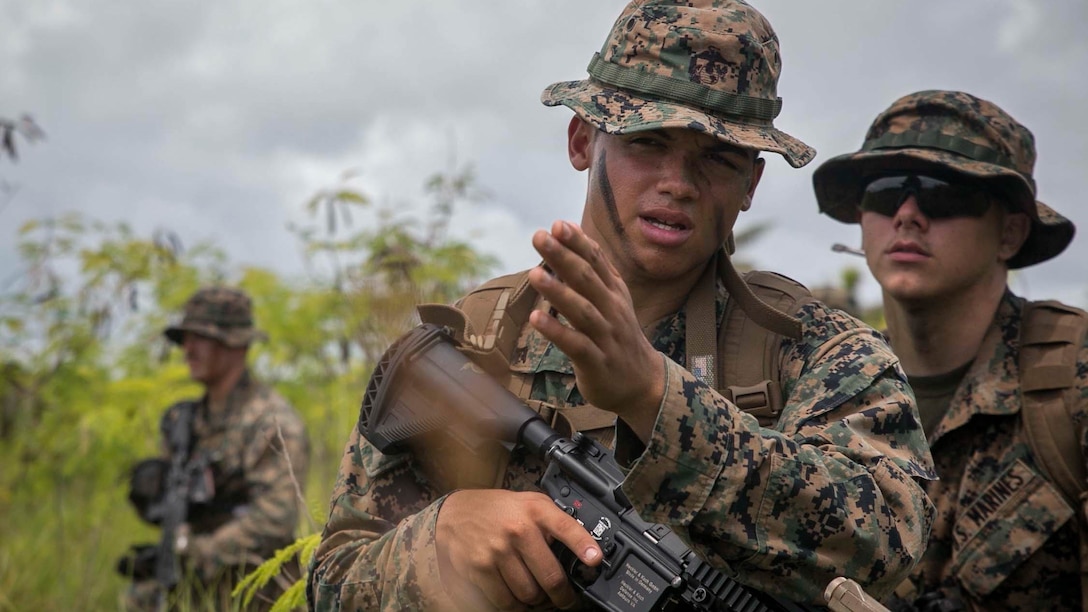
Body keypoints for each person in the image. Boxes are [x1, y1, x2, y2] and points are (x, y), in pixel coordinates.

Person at [308, 1, 936, 610]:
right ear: (582, 141)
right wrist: (441, 540)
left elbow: (884, 547)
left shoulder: (822, 353)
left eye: (716, 158)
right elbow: (335, 581)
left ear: (751, 183)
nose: (678, 183)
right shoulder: (474, 341)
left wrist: (655, 397)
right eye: (648, 142)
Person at [813, 90, 1084, 611]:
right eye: (887, 192)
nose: (909, 215)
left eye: (945, 194)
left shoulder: (1075, 380)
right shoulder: (823, 387)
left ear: (1010, 232)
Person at [120, 286, 310, 611]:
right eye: (185, 339)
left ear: (234, 344)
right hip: (190, 580)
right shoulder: (185, 422)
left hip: (253, 587)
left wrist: (199, 551)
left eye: (200, 338)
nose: (187, 350)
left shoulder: (272, 422)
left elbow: (276, 517)